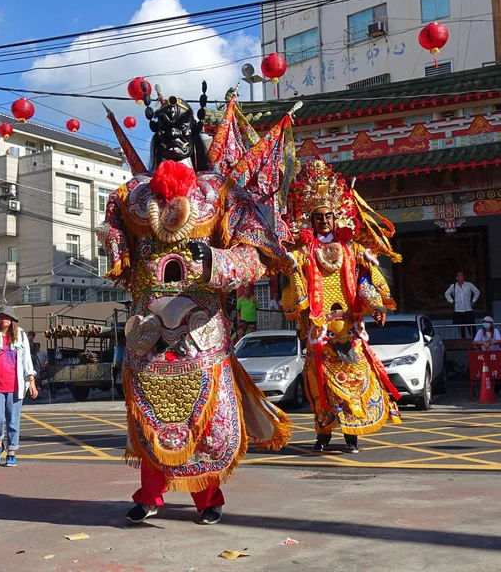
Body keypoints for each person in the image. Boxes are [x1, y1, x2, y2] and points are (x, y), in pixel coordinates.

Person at [97, 89, 293, 525]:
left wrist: (214, 262)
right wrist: (115, 246)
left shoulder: (219, 192)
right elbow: (116, 239)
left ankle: (208, 499)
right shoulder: (130, 194)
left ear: (197, 135)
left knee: (206, 418)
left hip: (201, 327)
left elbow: (252, 258)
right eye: (164, 130)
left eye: (183, 129)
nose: (173, 137)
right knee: (150, 418)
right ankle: (150, 496)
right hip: (149, 330)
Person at [281, 159, 402, 454]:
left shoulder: (353, 250)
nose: (324, 222)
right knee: (319, 385)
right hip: (319, 331)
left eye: (329, 216)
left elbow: (365, 284)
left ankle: (351, 436)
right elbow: (292, 293)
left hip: (349, 328)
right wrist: (292, 270)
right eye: (318, 217)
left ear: (337, 219)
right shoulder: (302, 255)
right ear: (310, 222)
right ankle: (323, 435)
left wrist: (374, 305)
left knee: (355, 381)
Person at [0, 306, 38, 466]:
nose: (3, 319)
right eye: (1, 317)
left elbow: (26, 359)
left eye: (7, 317)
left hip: (15, 384)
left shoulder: (20, 335)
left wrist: (31, 380)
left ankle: (11, 451)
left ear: (12, 319)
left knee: (13, 420)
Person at [444, 272, 480, 338]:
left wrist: (473, 301)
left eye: (463, 274)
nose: (462, 276)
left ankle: (475, 342)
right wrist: (451, 301)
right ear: (456, 278)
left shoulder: (469, 285)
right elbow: (447, 293)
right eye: (460, 275)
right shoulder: (453, 286)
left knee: (471, 328)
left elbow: (477, 291)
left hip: (468, 310)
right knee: (461, 329)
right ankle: (463, 343)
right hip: (458, 311)